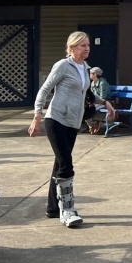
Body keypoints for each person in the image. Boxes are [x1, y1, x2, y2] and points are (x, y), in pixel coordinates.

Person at [29, 31, 97, 227]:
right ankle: (67, 210)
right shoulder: (62, 66)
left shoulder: (85, 68)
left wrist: (104, 103)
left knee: (59, 164)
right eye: (83, 45)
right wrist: (37, 115)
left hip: (73, 123)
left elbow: (85, 94)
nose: (87, 48)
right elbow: (44, 89)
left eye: (88, 45)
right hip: (56, 119)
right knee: (66, 164)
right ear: (72, 48)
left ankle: (52, 208)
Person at [86, 67, 115, 134]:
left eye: (91, 73)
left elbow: (103, 97)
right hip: (96, 102)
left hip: (106, 103)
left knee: (90, 108)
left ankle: (94, 123)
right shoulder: (93, 83)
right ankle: (91, 125)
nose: (90, 75)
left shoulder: (103, 83)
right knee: (85, 108)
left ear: (95, 74)